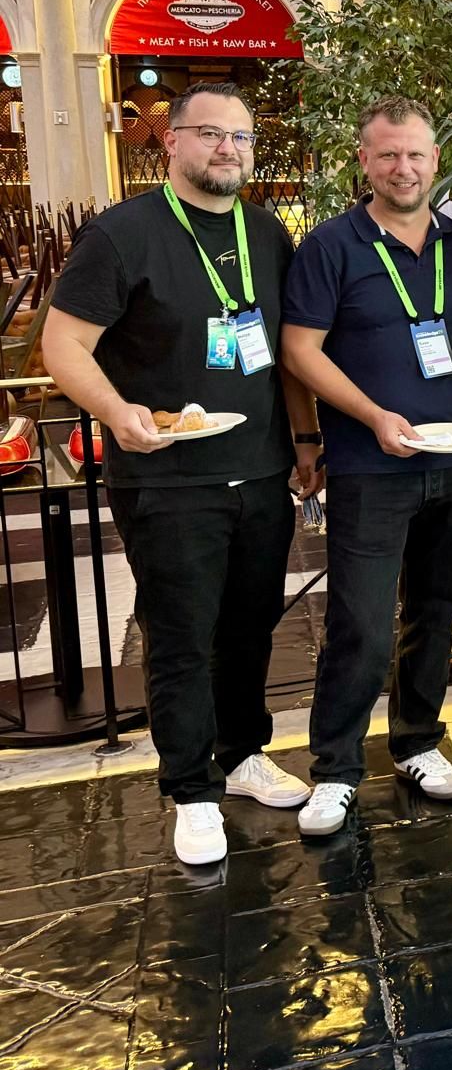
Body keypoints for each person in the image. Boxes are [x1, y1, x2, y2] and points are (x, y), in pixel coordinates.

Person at [42, 83, 320, 866]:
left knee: (249, 627)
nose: (227, 149)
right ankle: (192, 789)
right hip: (166, 479)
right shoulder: (121, 234)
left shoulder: (267, 233)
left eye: (240, 137)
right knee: (180, 638)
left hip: (259, 471)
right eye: (210, 134)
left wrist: (304, 440)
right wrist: (115, 410)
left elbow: (284, 352)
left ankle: (243, 755)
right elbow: (63, 345)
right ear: (172, 142)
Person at [282, 97, 452, 837]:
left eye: (416, 154)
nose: (404, 168)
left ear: (436, 161)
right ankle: (335, 770)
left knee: (436, 614)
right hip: (371, 465)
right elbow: (299, 351)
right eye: (389, 154)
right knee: (361, 624)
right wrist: (368, 418)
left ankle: (417, 742)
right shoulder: (330, 246)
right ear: (364, 161)